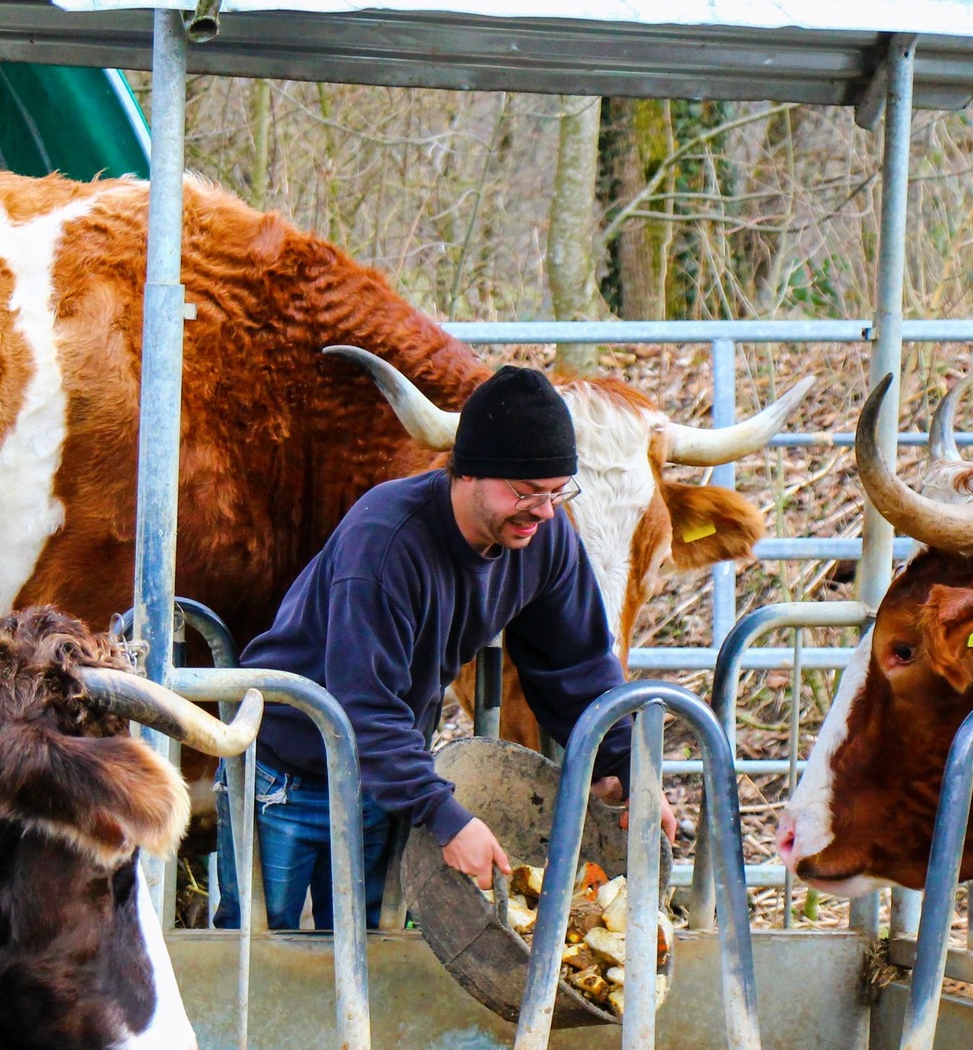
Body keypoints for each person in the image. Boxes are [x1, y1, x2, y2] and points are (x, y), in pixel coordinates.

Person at [214, 365, 676, 930]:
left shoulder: (546, 537)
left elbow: (577, 665)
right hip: (287, 772)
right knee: (256, 946)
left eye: (559, 491)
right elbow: (364, 701)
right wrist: (445, 816)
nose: (544, 511)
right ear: (468, 471)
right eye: (526, 492)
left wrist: (629, 767)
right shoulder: (386, 541)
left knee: (372, 945)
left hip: (380, 774)